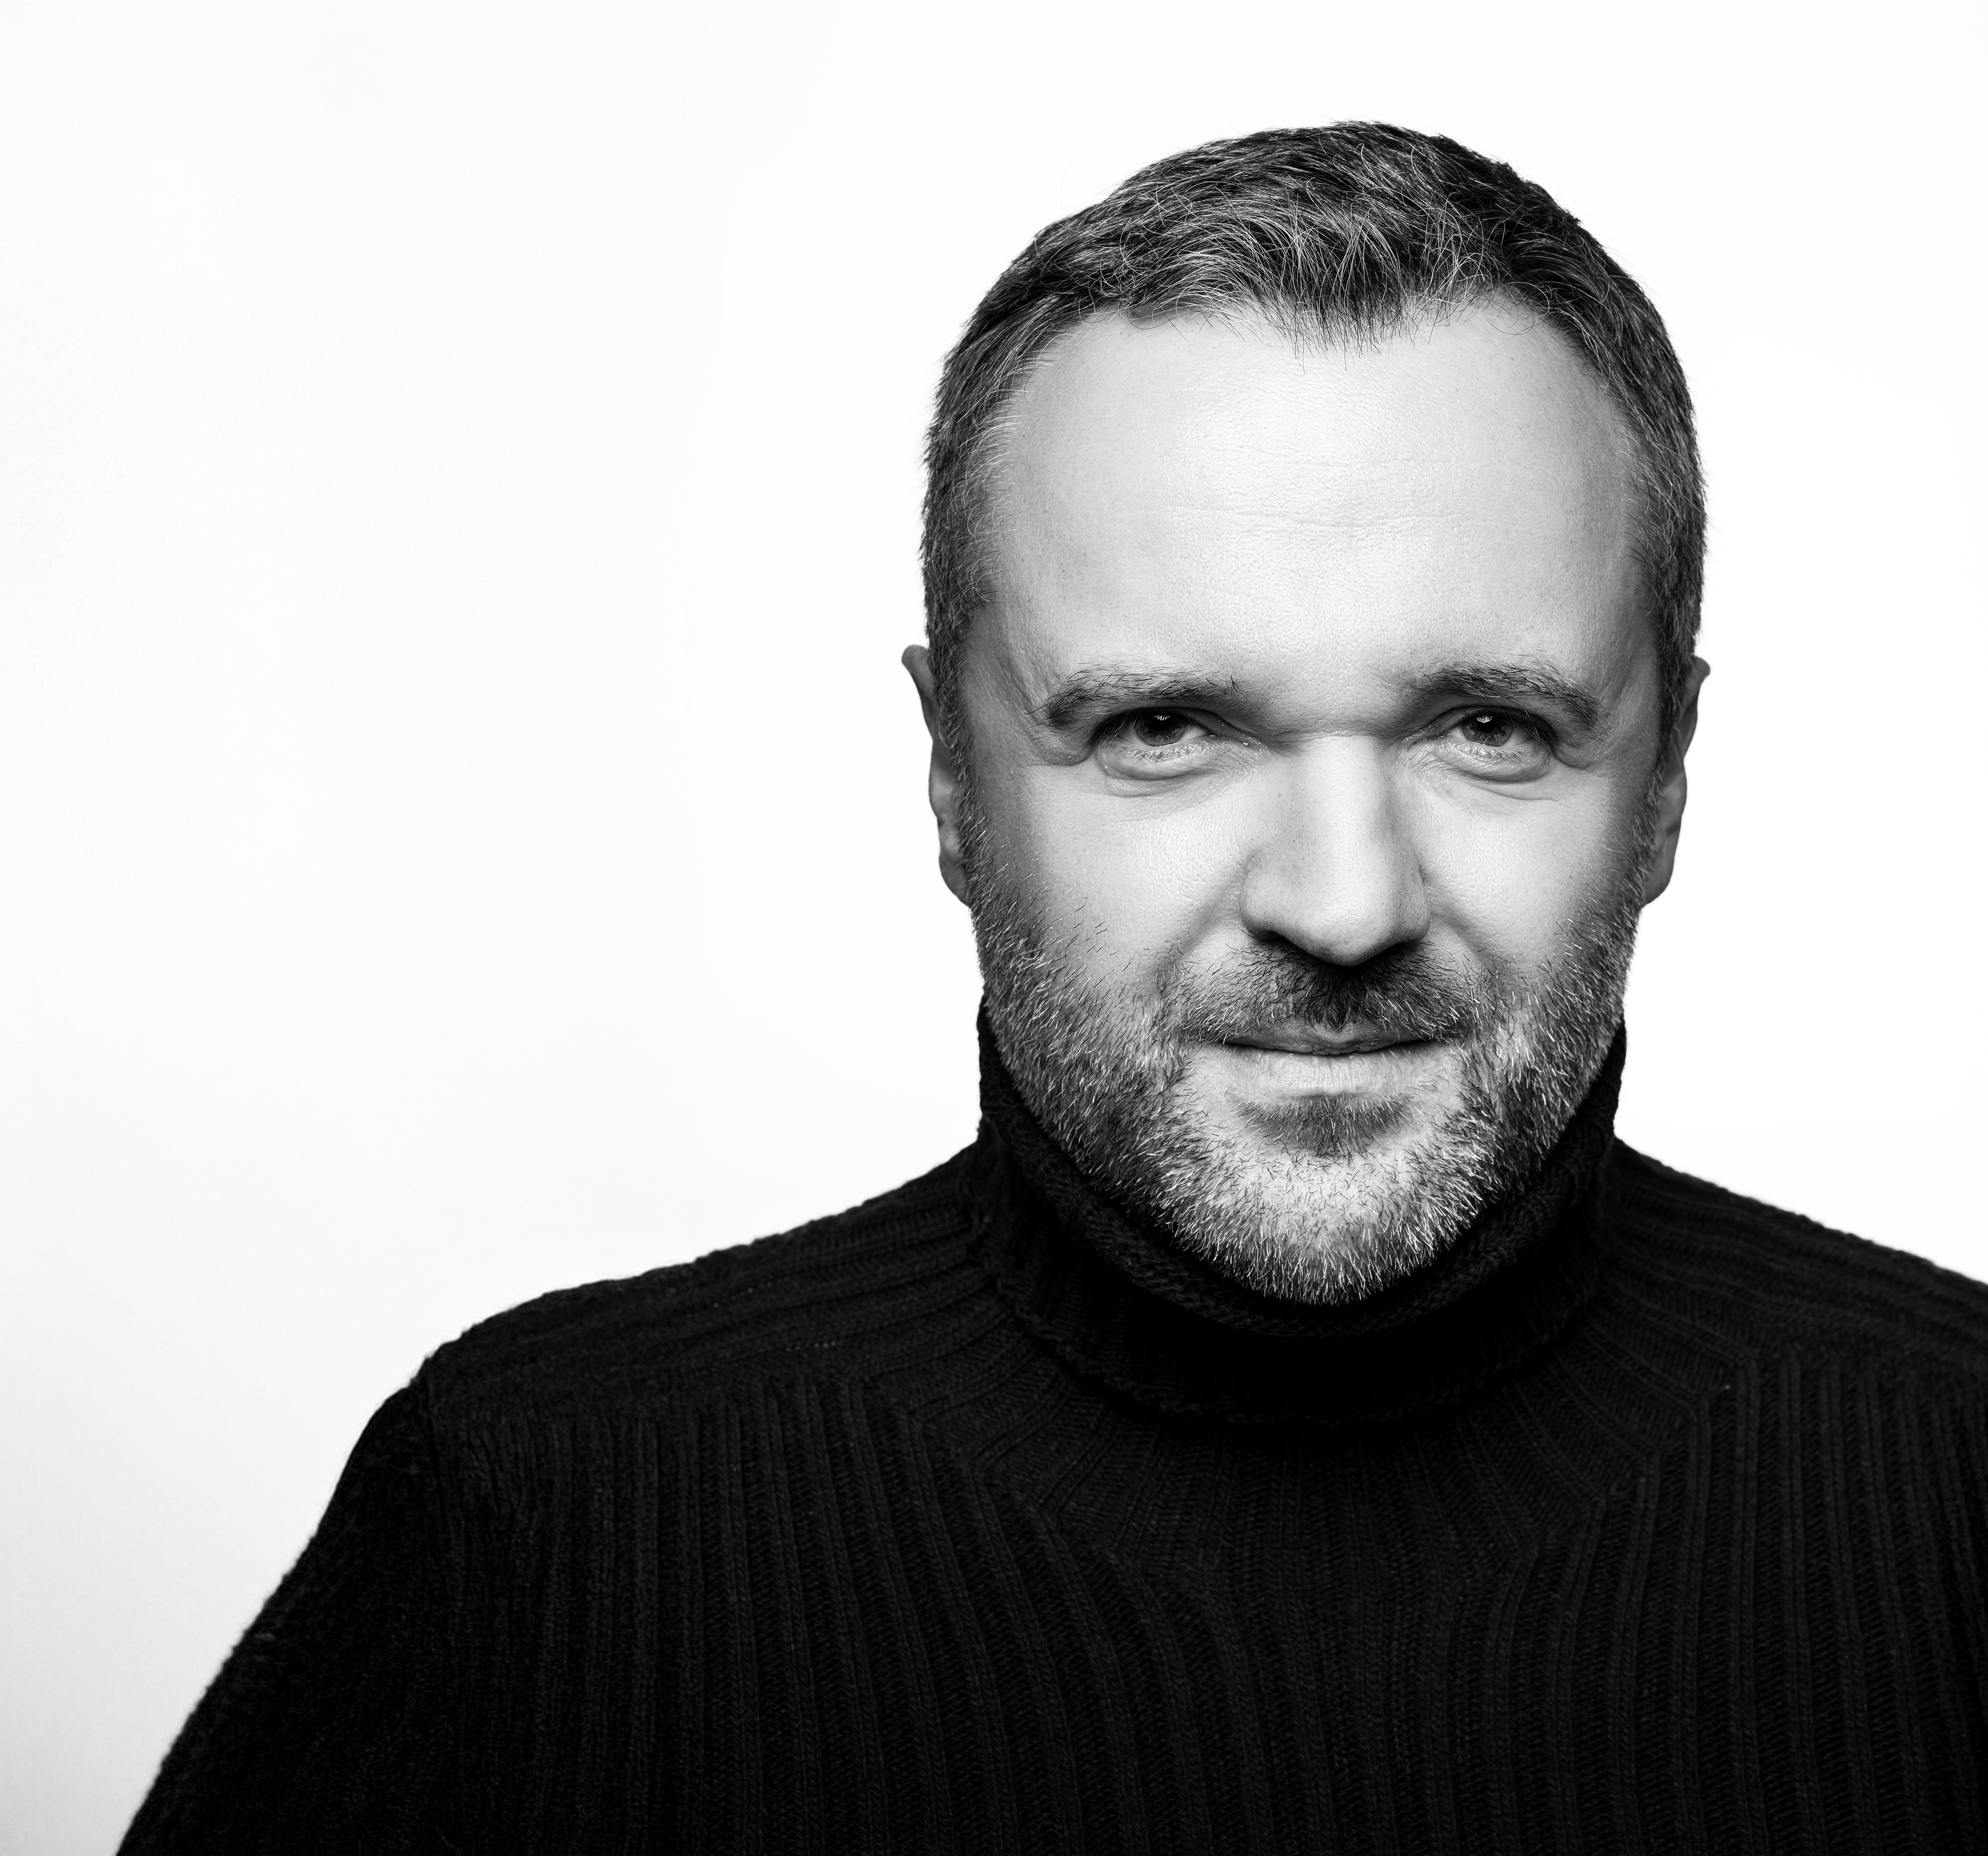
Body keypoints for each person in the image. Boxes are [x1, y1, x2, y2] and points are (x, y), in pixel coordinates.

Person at [122, 125, 1988, 1854]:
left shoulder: (1956, 1487)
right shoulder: (548, 1521)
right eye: (1162, 728)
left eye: (1487, 727)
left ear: (1663, 781)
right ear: (951, 776)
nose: (1340, 906)